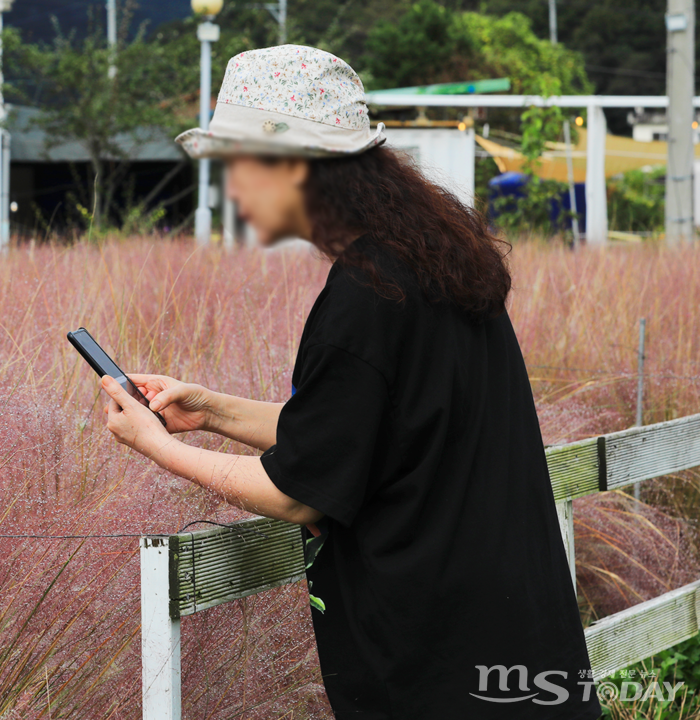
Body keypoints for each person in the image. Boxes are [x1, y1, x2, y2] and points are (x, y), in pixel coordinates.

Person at [96, 45, 601, 719]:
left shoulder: (364, 297)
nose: (230, 188)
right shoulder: (428, 262)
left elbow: (299, 492)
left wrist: (153, 445)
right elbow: (372, 426)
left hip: (439, 671)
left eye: (236, 164)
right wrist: (210, 410)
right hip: (519, 650)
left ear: (294, 165)